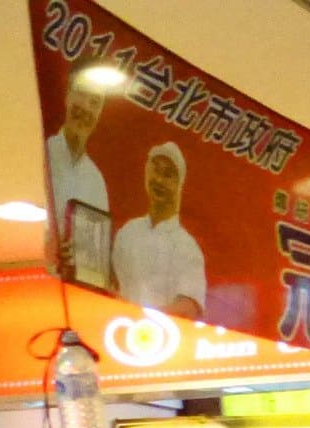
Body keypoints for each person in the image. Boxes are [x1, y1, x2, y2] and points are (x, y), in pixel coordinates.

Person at [111, 141, 206, 318]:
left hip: (161, 333)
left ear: (179, 184)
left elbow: (188, 307)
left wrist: (141, 319)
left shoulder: (187, 247)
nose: (159, 180)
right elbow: (109, 285)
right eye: (156, 170)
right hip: (117, 328)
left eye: (168, 175)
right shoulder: (127, 232)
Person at [46, 59, 111, 268]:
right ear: (67, 96)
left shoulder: (96, 180)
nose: (85, 107)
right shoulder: (44, 156)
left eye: (95, 102)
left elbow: (98, 257)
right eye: (81, 94)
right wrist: (50, 249)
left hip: (77, 285)